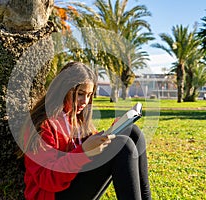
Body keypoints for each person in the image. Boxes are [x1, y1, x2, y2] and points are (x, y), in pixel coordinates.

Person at [22, 62, 152, 200]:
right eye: (80, 94)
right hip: (53, 194)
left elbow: (84, 144)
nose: (85, 101)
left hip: (74, 181)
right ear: (63, 89)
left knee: (132, 131)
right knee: (122, 145)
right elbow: (47, 179)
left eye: (89, 95)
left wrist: (113, 131)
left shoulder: (77, 118)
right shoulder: (42, 125)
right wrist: (83, 151)